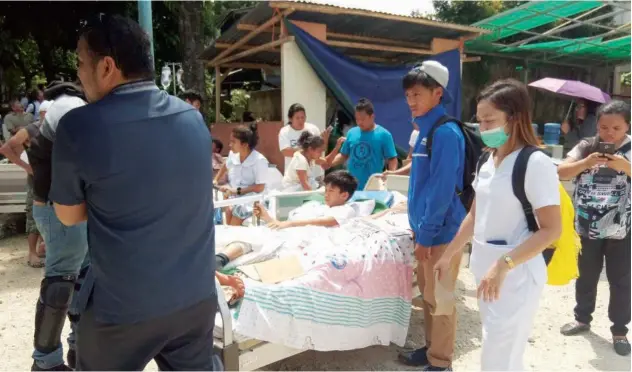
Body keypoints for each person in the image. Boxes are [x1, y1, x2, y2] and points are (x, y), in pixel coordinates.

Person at [49, 15, 218, 370]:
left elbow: (67, 215)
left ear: (107, 66)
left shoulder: (80, 126)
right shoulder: (192, 118)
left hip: (123, 309)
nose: (78, 73)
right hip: (195, 300)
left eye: (81, 63)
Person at [434, 79, 562, 371]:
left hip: (514, 274)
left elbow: (551, 229)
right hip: (486, 271)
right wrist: (449, 254)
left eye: (490, 120)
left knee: (497, 356)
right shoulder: (487, 160)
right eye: (479, 121)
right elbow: (475, 216)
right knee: (497, 349)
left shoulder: (534, 163)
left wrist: (503, 265)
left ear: (514, 118)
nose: (483, 128)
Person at [1, 81, 89, 370]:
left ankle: (79, 346)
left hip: (62, 209)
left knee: (83, 276)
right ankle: (47, 362)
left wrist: (31, 168)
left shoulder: (39, 130)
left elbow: (9, 147)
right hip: (59, 210)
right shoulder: (66, 125)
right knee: (62, 281)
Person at [396, 61, 465, 371]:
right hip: (425, 230)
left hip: (442, 233)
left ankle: (441, 362)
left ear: (438, 93)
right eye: (408, 95)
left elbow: (440, 190)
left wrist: (425, 234)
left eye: (417, 95)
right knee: (428, 296)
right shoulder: (425, 132)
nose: (411, 102)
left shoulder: (446, 133)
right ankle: (430, 349)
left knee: (442, 299)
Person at [557, 100, 631, 356]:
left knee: (620, 280)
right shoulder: (587, 146)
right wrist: (585, 163)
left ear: (627, 127)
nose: (609, 133)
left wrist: (626, 168)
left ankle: (620, 330)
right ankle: (582, 319)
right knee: (586, 275)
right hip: (587, 227)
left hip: (621, 230)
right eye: (604, 127)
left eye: (616, 128)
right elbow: (562, 172)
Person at [255, 169, 358, 229]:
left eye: (331, 191)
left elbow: (325, 221)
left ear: (344, 195)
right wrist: (268, 219)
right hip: (291, 235)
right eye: (325, 190)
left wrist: (289, 224)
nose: (326, 194)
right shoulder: (319, 207)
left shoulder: (347, 210)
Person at [331, 98, 398, 190]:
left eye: (362, 119)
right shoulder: (351, 133)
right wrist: (329, 163)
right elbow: (343, 155)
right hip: (351, 186)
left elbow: (392, 159)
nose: (359, 122)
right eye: (357, 119)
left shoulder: (384, 135)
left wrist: (391, 177)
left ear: (372, 116)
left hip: (373, 186)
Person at [214, 123, 268, 226]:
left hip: (252, 198)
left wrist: (237, 191)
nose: (230, 145)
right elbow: (226, 165)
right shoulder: (233, 155)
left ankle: (232, 238)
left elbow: (260, 187)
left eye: (233, 142)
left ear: (245, 145)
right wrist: (216, 180)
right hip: (235, 196)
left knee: (238, 211)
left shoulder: (259, 160)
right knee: (228, 209)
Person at [278, 103, 328, 173]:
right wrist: (309, 151)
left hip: (314, 174)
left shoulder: (313, 129)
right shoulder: (285, 131)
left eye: (303, 117)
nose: (301, 120)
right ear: (290, 119)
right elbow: (285, 151)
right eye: (297, 118)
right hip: (294, 176)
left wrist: (325, 139)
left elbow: (321, 150)